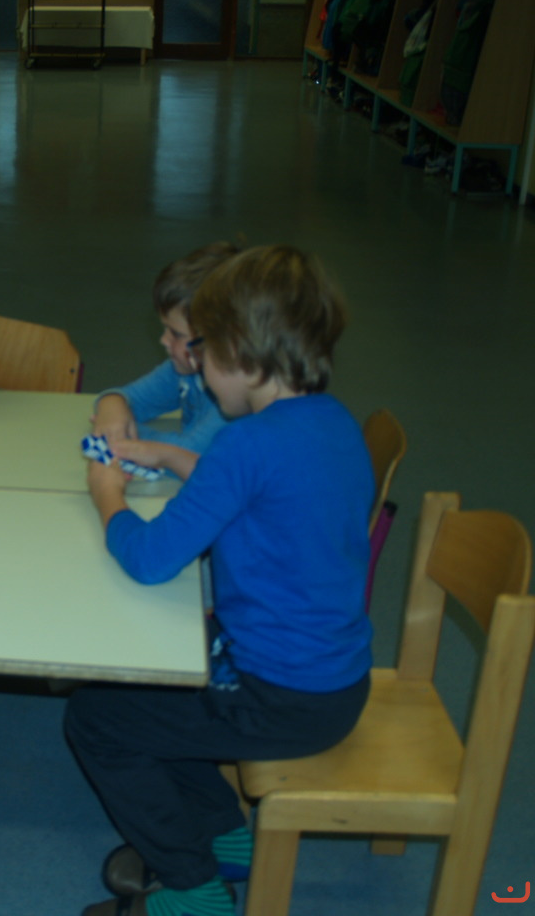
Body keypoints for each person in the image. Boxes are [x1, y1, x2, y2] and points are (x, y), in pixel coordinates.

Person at [67, 246, 374, 916]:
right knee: (162, 692)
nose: (198, 365)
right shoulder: (335, 423)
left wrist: (106, 495)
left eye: (203, 349)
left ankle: (190, 889)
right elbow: (264, 495)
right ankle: (224, 839)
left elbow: (150, 560)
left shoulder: (243, 444)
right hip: (333, 680)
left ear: (240, 353)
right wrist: (169, 457)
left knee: (98, 718)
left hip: (280, 695)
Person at [90, 242, 239, 480]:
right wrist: (112, 406)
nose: (163, 340)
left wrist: (120, 435)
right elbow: (131, 396)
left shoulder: (236, 398)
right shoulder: (183, 370)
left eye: (176, 334)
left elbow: (189, 454)